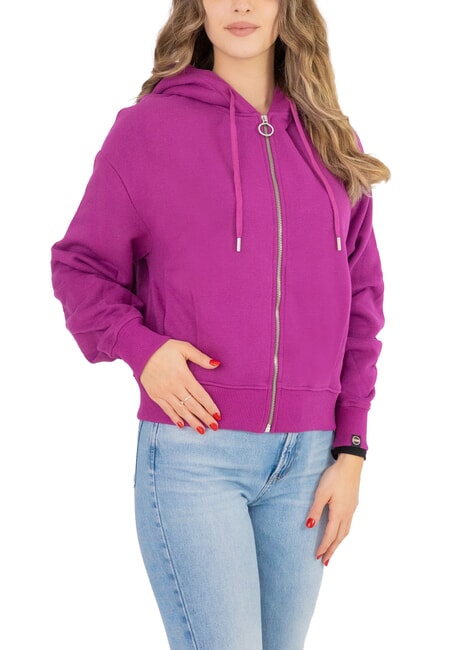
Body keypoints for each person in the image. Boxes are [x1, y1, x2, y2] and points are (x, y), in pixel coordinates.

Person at [51, 0, 390, 647]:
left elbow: (363, 304)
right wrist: (141, 348)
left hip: (309, 463)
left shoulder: (331, 143)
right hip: (194, 455)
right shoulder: (148, 131)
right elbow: (81, 266)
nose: (240, 4)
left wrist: (351, 448)